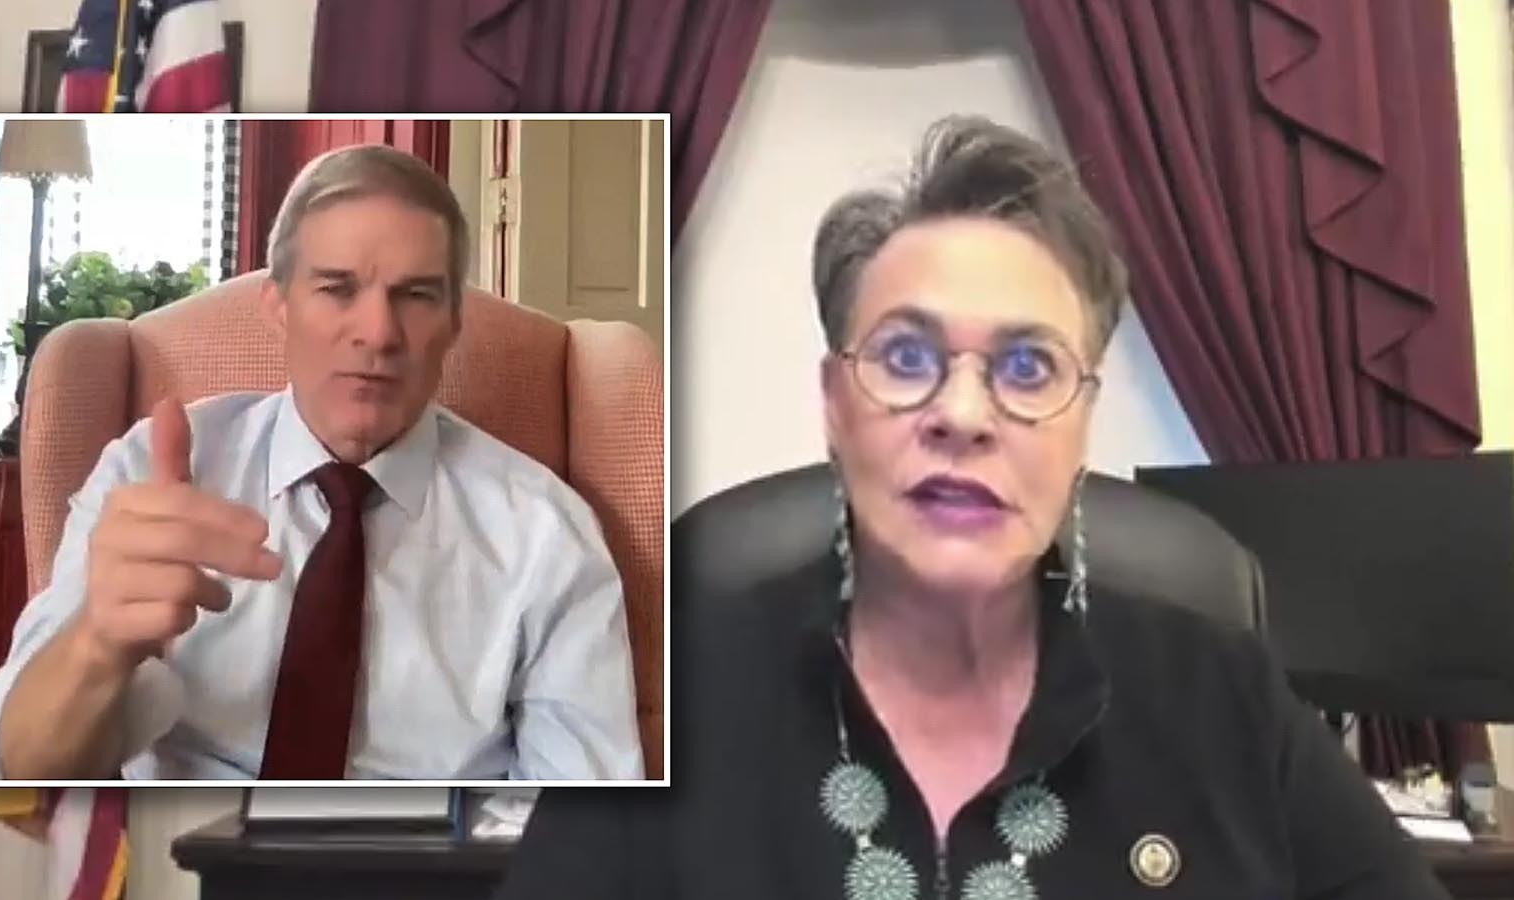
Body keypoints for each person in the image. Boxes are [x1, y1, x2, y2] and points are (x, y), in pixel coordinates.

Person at [497, 117, 1447, 897]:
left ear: (1082, 419)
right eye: (906, 359)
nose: (961, 414)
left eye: (1029, 368)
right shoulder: (680, 708)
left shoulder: (1223, 694)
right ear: (835, 406)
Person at [0, 144, 642, 781]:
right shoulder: (148, 477)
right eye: (336, 288)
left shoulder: (546, 532)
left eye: (416, 295)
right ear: (278, 308)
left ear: (453, 322)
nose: (378, 333)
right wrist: (100, 642)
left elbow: (586, 819)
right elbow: (19, 762)